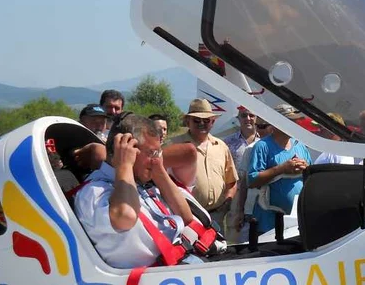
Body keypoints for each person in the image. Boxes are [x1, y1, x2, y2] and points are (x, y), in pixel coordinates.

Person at [74, 113, 203, 269]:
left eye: (158, 152)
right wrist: (124, 165)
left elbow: (186, 217)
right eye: (151, 153)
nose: (156, 159)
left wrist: (159, 170)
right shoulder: (93, 192)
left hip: (182, 265)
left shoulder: (140, 182)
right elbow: (125, 217)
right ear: (126, 150)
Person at [168, 99, 238, 234]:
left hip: (217, 216)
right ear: (188, 121)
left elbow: (231, 181)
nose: (201, 123)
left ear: (213, 121)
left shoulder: (221, 146)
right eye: (196, 120)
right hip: (187, 216)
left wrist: (227, 204)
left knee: (217, 253)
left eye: (206, 120)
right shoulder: (173, 146)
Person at [247, 104, 312, 234]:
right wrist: (282, 168)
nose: (295, 125)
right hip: (268, 220)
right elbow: (252, 180)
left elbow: (311, 177)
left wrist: (306, 169)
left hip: (296, 220)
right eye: (291, 121)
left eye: (295, 121)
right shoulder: (262, 146)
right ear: (277, 122)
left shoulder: (300, 146)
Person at [222, 107, 260, 243]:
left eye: (251, 115)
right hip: (237, 194)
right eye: (244, 116)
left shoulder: (264, 140)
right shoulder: (227, 142)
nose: (248, 119)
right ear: (238, 119)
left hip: (259, 193)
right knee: (235, 232)